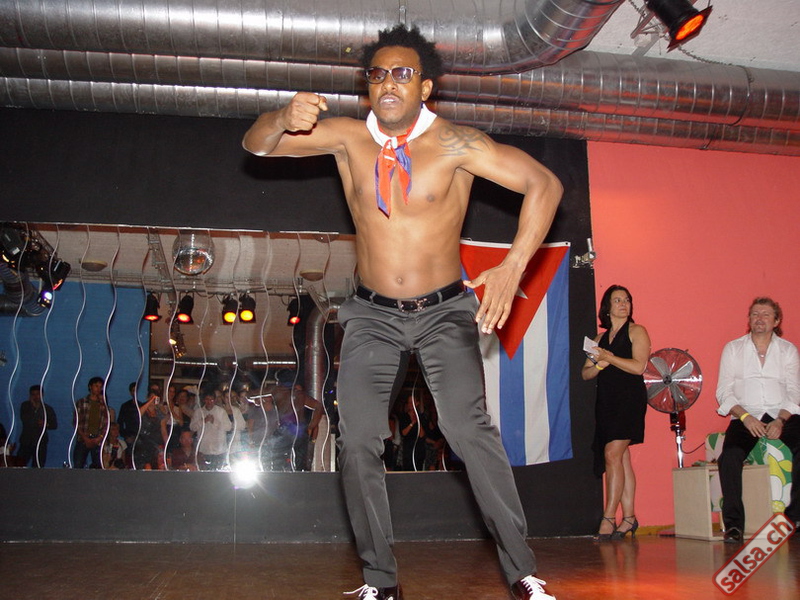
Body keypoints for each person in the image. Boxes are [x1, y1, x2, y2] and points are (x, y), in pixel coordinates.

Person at [242, 24, 562, 600]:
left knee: (467, 429)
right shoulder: (346, 137)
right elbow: (257, 145)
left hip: (444, 312)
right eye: (378, 74)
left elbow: (544, 184)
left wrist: (514, 266)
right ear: (368, 87)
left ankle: (522, 572)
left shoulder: (457, 143)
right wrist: (281, 116)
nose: (388, 83)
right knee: (357, 438)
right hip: (371, 315)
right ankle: (380, 583)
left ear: (425, 87)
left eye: (402, 73)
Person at [716, 297, 800, 542]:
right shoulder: (733, 349)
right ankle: (734, 525)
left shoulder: (788, 350)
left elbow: (795, 392)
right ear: (749, 319)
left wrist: (780, 420)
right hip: (746, 415)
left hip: (782, 414)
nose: (759, 319)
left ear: (776, 321)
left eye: (765, 314)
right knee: (729, 456)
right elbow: (723, 392)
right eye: (755, 314)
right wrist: (745, 417)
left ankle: (794, 517)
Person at [582, 285, 651, 541]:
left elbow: (639, 367)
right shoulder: (597, 339)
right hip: (606, 402)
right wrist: (599, 364)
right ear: (607, 308)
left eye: (627, 300)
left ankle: (609, 517)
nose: (623, 304)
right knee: (621, 459)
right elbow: (585, 374)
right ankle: (629, 517)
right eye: (618, 300)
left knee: (612, 454)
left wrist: (609, 359)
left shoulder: (637, 331)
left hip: (629, 401)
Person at [73, 376, 111, 468]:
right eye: (96, 386)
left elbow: (106, 423)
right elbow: (76, 422)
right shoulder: (81, 402)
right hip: (83, 438)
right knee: (78, 464)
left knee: (98, 465)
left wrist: (100, 437)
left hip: (98, 439)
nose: (98, 389)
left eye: (100, 387)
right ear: (90, 386)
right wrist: (85, 437)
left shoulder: (103, 404)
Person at [190, 387, 232, 470]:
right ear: (204, 400)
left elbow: (228, 427)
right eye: (207, 399)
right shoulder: (198, 412)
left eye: (211, 400)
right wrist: (203, 421)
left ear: (215, 400)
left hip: (219, 450)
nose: (209, 402)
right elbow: (192, 427)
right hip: (204, 450)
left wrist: (214, 421)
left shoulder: (221, 412)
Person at [17, 384, 58, 468]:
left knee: (38, 467)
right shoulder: (25, 406)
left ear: (42, 395)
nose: (36, 397)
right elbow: (25, 419)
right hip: (26, 442)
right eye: (33, 394)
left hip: (40, 442)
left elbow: (54, 425)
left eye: (38, 394)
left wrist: (45, 424)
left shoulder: (47, 409)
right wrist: (33, 407)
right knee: (19, 465)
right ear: (30, 395)